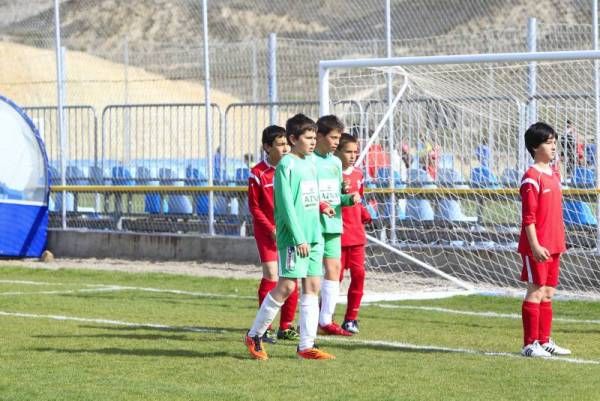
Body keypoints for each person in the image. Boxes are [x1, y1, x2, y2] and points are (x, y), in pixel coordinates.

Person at [244, 113, 335, 360]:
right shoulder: (287, 165)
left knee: (312, 286)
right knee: (286, 286)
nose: (313, 142)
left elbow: (309, 196)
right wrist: (298, 238)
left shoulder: (311, 163)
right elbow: (285, 206)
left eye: (315, 137)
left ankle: (306, 346)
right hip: (295, 238)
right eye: (308, 138)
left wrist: (322, 206)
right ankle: (254, 335)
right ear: (293, 139)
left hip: (314, 235)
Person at [518, 122, 571, 357]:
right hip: (537, 245)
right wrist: (535, 245)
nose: (553, 147)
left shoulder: (555, 174)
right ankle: (529, 344)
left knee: (548, 293)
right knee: (535, 291)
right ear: (535, 147)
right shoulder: (531, 177)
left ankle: (544, 340)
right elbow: (528, 218)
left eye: (554, 142)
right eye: (548, 143)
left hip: (555, 242)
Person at [247, 125, 299, 343]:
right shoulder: (258, 172)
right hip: (267, 231)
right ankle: (265, 327)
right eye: (279, 144)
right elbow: (255, 207)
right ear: (267, 147)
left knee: (291, 276)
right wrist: (270, 228)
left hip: (288, 230)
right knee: (271, 275)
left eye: (287, 143)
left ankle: (285, 326)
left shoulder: (292, 168)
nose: (285, 148)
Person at [314, 115, 360, 336]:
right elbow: (306, 194)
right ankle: (290, 325)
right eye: (333, 137)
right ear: (319, 136)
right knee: (308, 277)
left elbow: (335, 197)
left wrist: (347, 199)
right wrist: (320, 205)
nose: (336, 142)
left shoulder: (335, 162)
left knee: (333, 271)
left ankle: (325, 321)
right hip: (312, 225)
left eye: (338, 137)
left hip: (333, 224)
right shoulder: (309, 161)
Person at [335, 133, 372, 333]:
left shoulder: (358, 174)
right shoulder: (332, 173)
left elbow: (359, 199)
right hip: (339, 235)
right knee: (335, 278)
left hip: (357, 235)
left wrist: (365, 214)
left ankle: (351, 318)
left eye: (355, 152)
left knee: (358, 275)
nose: (353, 155)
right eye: (348, 151)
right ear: (338, 151)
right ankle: (324, 316)